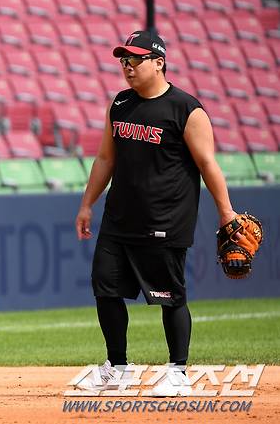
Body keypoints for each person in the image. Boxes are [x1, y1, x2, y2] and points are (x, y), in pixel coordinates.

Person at [74, 30, 237, 396]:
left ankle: (178, 371)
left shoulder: (186, 110)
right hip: (119, 219)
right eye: (123, 61)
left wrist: (226, 212)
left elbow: (208, 164)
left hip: (165, 220)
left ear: (158, 62)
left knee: (170, 297)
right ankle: (117, 367)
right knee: (105, 286)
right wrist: (87, 204)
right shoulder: (120, 105)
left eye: (135, 59)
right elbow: (105, 158)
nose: (127, 67)